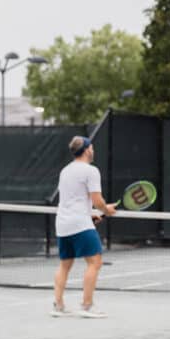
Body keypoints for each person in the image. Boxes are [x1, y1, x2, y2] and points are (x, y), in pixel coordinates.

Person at [52, 136, 116, 318]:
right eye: (92, 148)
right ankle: (87, 306)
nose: (93, 151)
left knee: (65, 265)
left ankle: (58, 305)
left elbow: (73, 200)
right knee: (95, 262)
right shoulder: (91, 171)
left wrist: (92, 214)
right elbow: (97, 200)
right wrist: (106, 210)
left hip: (63, 223)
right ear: (87, 150)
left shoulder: (65, 171)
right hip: (80, 223)